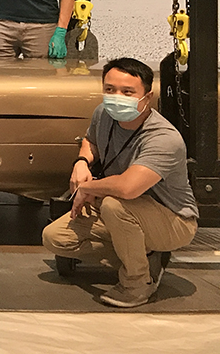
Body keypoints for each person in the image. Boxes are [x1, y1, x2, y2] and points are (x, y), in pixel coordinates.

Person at [42, 57, 198, 308]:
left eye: (127, 92)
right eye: (110, 89)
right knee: (56, 238)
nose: (117, 97)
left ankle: (138, 283)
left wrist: (86, 187)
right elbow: (90, 140)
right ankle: (145, 257)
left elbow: (128, 188)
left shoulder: (164, 139)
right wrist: (81, 162)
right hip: (120, 208)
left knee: (115, 205)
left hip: (172, 219)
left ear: (147, 96)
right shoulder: (103, 113)